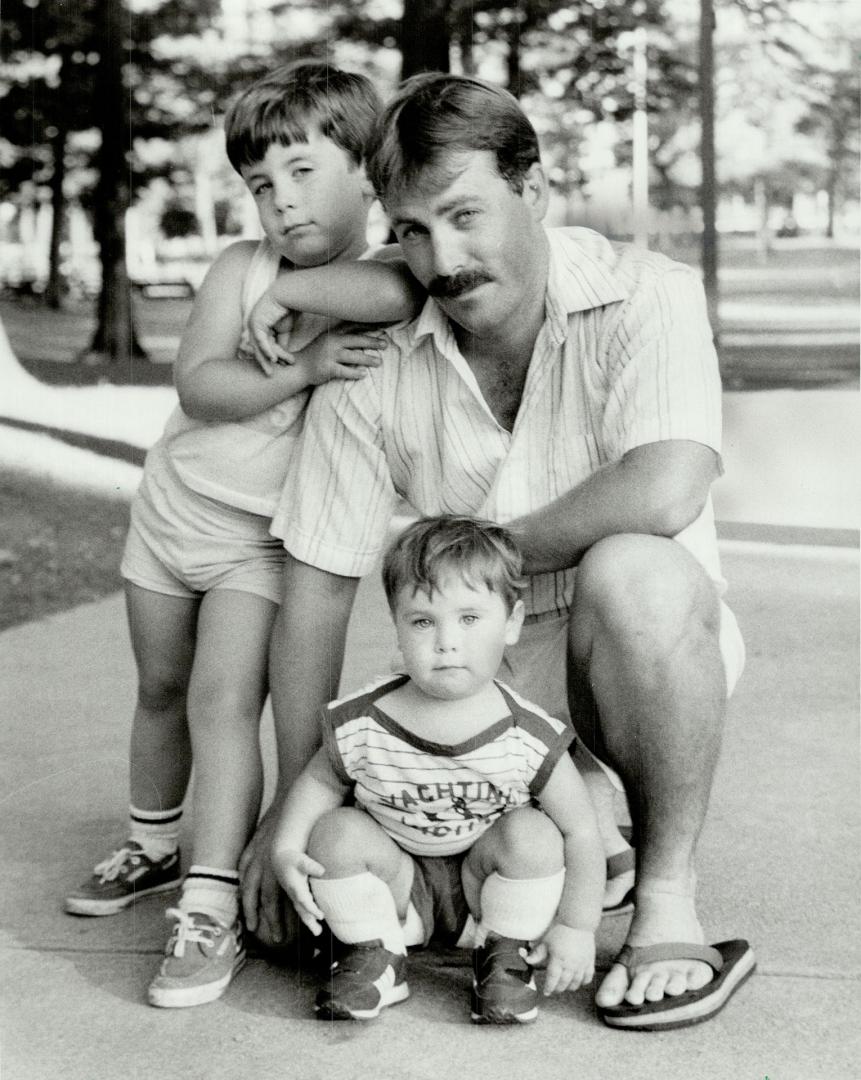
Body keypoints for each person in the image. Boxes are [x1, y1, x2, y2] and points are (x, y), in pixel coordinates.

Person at [242, 71, 756, 1031]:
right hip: (481, 682)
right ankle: (567, 830)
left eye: (466, 213)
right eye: (412, 231)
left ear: (535, 189)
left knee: (632, 566)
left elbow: (667, 485)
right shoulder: (372, 354)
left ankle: (665, 907)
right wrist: (288, 806)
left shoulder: (649, 294)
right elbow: (316, 581)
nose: (445, 258)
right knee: (383, 863)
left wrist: (471, 557)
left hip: (634, 652)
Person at [64, 61, 421, 1010]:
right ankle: (153, 842)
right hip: (172, 512)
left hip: (258, 546)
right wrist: (300, 367)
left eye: (304, 173)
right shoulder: (242, 268)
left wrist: (305, 312)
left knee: (222, 702)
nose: (281, 203)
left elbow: (400, 294)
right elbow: (200, 388)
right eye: (262, 185)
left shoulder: (383, 271)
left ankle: (210, 897)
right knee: (161, 689)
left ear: (367, 171)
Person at [271, 515, 605, 1024]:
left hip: (484, 888)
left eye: (470, 618)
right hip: (398, 886)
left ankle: (504, 957)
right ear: (398, 626)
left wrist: (578, 927)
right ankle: (373, 955)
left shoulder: (525, 735)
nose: (446, 641)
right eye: (423, 621)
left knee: (535, 834)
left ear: (511, 623)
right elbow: (320, 780)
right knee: (335, 831)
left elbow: (582, 830)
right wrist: (287, 845)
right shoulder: (367, 719)